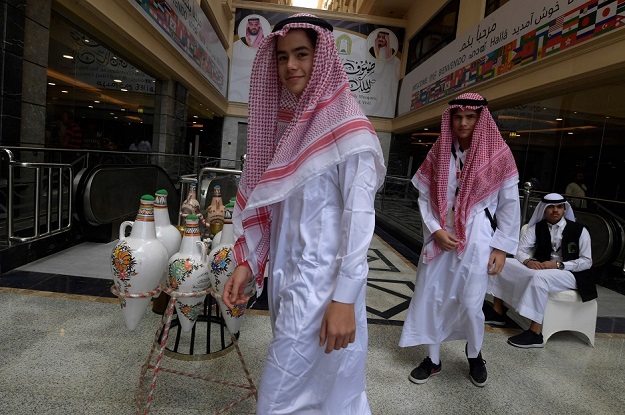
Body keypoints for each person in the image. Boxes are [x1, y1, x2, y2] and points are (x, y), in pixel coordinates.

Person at [222, 14, 386, 414]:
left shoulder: (352, 133)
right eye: (281, 57)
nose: (290, 66)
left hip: (325, 287)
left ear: (324, 58)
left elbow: (359, 223)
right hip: (286, 277)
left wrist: (345, 300)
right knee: (327, 389)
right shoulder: (287, 129)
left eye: (302, 54)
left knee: (283, 398)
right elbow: (272, 210)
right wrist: (249, 262)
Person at [398, 93, 520, 387]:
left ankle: (475, 355)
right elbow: (425, 197)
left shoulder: (499, 154)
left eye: (470, 117)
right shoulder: (440, 149)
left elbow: (510, 205)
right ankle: (433, 359)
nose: (463, 122)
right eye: (457, 116)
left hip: (478, 236)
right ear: (450, 118)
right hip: (441, 235)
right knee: (432, 297)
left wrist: (502, 248)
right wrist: (435, 230)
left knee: (470, 302)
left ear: (481, 119)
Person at [485, 193, 597, 348]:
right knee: (506, 263)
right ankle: (498, 311)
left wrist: (559, 265)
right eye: (551, 207)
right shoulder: (537, 227)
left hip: (573, 274)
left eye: (559, 207)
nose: (555, 210)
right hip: (544, 268)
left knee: (539, 278)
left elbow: (587, 262)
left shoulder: (580, 230)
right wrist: (528, 261)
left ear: (565, 209)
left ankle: (535, 332)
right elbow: (519, 250)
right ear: (544, 209)